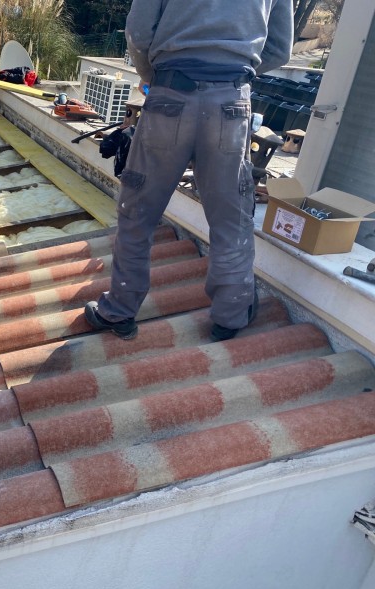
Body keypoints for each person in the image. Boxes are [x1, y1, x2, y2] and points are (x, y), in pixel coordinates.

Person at [84, 0, 293, 342]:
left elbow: (137, 32)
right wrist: (233, 73)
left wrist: (157, 78)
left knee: (138, 212)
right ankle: (231, 315)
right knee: (231, 218)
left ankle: (119, 310)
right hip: (231, 103)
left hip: (170, 96)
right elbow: (279, 49)